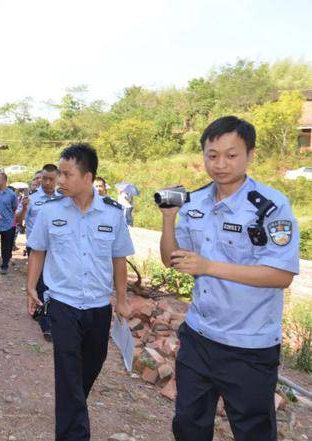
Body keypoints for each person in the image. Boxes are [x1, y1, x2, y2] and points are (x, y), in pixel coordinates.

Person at [159, 116, 300, 441]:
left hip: (249, 346)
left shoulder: (271, 206)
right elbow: (171, 259)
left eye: (231, 155)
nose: (220, 164)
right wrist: (168, 220)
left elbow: (281, 275)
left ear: (250, 155)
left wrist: (209, 266)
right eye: (212, 155)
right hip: (199, 337)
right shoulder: (194, 203)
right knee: (188, 425)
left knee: (253, 431)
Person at [26, 143, 133, 441]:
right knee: (68, 370)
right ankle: (74, 434)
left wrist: (122, 300)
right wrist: (30, 288)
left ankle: (71, 410)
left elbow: (119, 259)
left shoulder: (112, 215)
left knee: (89, 368)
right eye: (59, 173)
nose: (60, 180)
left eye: (66, 174)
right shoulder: (50, 212)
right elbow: (37, 251)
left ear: (88, 177)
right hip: (63, 304)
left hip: (99, 307)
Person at [18, 163, 59, 341]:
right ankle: (47, 325)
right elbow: (17, 220)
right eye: (44, 178)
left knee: (53, 284)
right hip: (36, 248)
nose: (48, 182)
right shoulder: (32, 199)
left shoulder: (62, 199)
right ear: (40, 178)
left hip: (56, 249)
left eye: (51, 179)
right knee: (41, 285)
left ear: (57, 179)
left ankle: (43, 311)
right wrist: (25, 208)